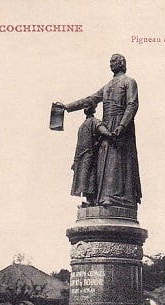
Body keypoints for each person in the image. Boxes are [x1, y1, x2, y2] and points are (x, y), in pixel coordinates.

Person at [54, 54, 141, 208]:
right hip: (107, 125)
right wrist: (68, 107)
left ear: (122, 63)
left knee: (117, 161)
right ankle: (103, 197)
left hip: (122, 126)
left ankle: (117, 198)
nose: (111, 64)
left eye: (114, 61)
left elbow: (132, 104)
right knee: (103, 162)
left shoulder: (129, 82)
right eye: (110, 62)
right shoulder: (107, 86)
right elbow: (90, 99)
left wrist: (122, 125)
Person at [70, 103, 113, 206]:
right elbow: (79, 144)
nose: (86, 108)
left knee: (90, 176)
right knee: (83, 179)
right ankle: (89, 200)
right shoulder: (82, 125)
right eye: (84, 107)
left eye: (88, 107)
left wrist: (110, 134)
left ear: (93, 109)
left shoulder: (95, 121)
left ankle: (92, 200)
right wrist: (74, 161)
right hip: (81, 156)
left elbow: (102, 130)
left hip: (90, 154)